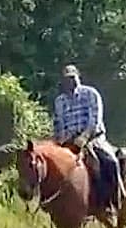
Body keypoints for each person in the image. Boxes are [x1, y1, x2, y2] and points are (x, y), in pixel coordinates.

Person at [52, 64, 122, 214]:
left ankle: (111, 201)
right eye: (67, 79)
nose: (71, 81)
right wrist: (58, 141)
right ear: (63, 82)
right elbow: (58, 124)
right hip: (68, 141)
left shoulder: (91, 94)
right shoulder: (60, 101)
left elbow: (94, 120)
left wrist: (84, 137)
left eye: (73, 77)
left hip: (93, 138)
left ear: (78, 76)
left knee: (109, 162)